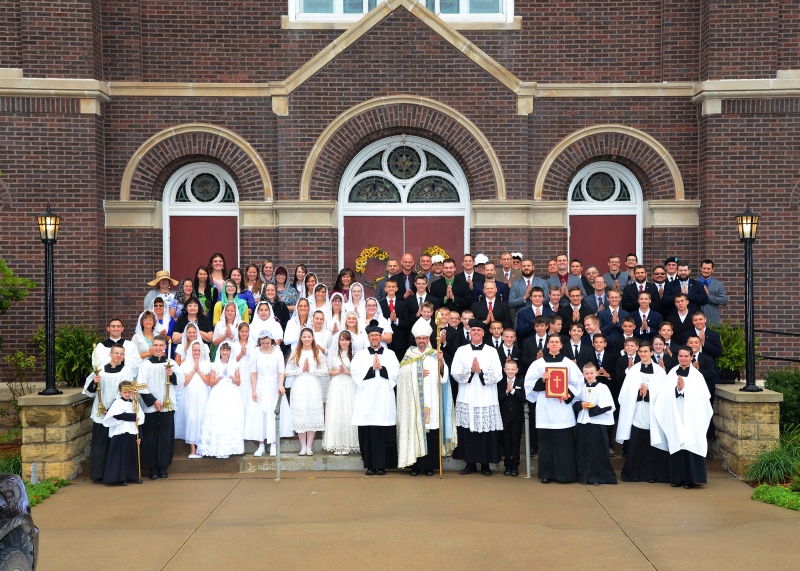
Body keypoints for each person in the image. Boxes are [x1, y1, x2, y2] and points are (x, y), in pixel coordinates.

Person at [396, 318, 455, 475]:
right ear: (415, 339)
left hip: (432, 401)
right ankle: (415, 466)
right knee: (416, 430)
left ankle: (429, 466)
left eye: (424, 338)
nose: (421, 341)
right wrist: (416, 373)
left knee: (431, 432)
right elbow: (401, 376)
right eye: (419, 338)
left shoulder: (435, 354)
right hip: (415, 404)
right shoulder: (409, 354)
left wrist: (442, 362)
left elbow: (444, 379)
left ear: (429, 339)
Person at [653, 346, 714, 489]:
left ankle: (690, 479)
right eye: (680, 356)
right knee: (676, 443)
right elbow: (664, 394)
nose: (683, 359)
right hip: (675, 414)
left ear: (692, 357)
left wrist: (684, 389)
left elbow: (703, 397)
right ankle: (677, 477)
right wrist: (676, 390)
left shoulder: (696, 376)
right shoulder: (672, 373)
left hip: (692, 417)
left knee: (689, 444)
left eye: (686, 356)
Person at [524, 335, 582, 483]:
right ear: (547, 345)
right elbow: (528, 384)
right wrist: (541, 381)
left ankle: (565, 475)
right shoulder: (538, 364)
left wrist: (568, 394)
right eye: (552, 342)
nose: (554, 344)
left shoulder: (569, 364)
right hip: (545, 408)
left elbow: (578, 384)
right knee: (546, 444)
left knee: (564, 444)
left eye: (557, 342)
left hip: (563, 409)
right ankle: (546, 474)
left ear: (561, 345)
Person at [451, 319, 503, 476]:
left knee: (485, 432)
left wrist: (480, 372)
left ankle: (485, 464)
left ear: (483, 333)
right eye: (473, 330)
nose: (476, 333)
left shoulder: (491, 351)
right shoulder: (461, 350)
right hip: (467, 395)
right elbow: (454, 371)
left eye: (479, 330)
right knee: (468, 431)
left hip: (486, 396)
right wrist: (470, 371)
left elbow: (498, 373)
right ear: (470, 332)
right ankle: (470, 463)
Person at [616, 341, 671, 483]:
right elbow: (624, 394)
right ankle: (633, 474)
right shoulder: (633, 371)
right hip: (636, 413)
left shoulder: (659, 372)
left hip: (652, 413)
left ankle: (652, 474)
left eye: (646, 351)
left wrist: (648, 394)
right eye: (640, 351)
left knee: (652, 445)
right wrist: (637, 393)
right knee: (635, 443)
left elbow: (663, 394)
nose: (643, 354)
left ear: (652, 352)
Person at [351, 320, 401, 475]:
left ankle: (382, 465)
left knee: (382, 431)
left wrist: (382, 368)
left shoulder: (391, 354)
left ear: (381, 337)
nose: (374, 338)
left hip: (384, 397)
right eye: (372, 335)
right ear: (368, 337)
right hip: (366, 397)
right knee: (368, 431)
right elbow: (355, 372)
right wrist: (372, 369)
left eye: (377, 335)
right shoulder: (360, 355)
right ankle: (370, 465)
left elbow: (396, 373)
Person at [83, 343, 137, 482]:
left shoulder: (126, 371)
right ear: (110, 354)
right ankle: (99, 474)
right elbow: (89, 391)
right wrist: (95, 383)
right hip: (101, 411)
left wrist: (112, 410)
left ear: (124, 356)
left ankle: (115, 475)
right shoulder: (99, 371)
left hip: (117, 410)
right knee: (100, 442)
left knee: (116, 443)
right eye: (116, 353)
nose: (119, 356)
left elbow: (127, 392)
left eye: (121, 354)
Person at [138, 335, 183, 479]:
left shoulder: (171, 364)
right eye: (155, 345)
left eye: (160, 345)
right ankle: (152, 468)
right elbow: (141, 385)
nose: (158, 348)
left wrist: (172, 375)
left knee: (164, 437)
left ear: (165, 347)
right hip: (152, 406)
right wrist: (153, 401)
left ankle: (163, 467)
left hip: (167, 405)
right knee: (151, 437)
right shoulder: (145, 365)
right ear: (152, 347)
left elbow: (180, 382)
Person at [244, 330, 292, 457]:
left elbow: (281, 370)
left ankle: (273, 444)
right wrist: (254, 390)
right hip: (260, 385)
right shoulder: (256, 352)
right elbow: (253, 372)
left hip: (274, 386)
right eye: (263, 343)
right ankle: (261, 445)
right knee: (260, 415)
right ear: (259, 342)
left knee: (273, 413)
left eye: (267, 343)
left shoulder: (277, 352)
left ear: (271, 341)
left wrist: (281, 384)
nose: (265, 345)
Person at [197, 342, 245, 458]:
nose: (225, 352)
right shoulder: (214, 365)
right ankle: (217, 448)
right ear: (220, 352)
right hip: (218, 392)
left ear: (230, 352)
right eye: (223, 350)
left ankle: (228, 447)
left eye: (227, 350)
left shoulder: (235, 365)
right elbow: (211, 383)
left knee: (229, 418)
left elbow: (239, 382)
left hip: (231, 392)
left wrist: (232, 377)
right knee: (218, 417)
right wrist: (220, 376)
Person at [573, 362, 617, 485]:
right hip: (583, 422)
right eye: (587, 373)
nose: (589, 375)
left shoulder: (603, 387)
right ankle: (584, 476)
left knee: (598, 450)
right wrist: (581, 405)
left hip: (597, 422)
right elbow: (575, 402)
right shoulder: (581, 387)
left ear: (596, 373)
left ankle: (599, 477)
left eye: (592, 373)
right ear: (583, 374)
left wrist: (592, 408)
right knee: (583, 449)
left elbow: (608, 405)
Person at [285, 328, 328, 456]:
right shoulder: (295, 352)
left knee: (311, 413)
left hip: (313, 385)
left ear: (312, 337)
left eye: (309, 336)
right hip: (299, 385)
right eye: (304, 337)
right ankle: (302, 446)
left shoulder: (317, 352)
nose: (307, 339)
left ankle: (309, 446)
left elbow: (326, 371)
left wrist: (312, 370)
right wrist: (301, 371)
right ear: (301, 338)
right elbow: (286, 372)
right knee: (301, 414)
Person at [323, 331, 360, 455]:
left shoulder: (354, 356)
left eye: (346, 340)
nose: (344, 342)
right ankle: (337, 444)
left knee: (348, 412)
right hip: (336, 385)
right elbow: (329, 371)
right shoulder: (334, 355)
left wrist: (346, 372)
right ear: (338, 341)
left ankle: (348, 444)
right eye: (342, 340)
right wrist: (338, 372)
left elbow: (357, 373)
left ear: (350, 341)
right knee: (337, 413)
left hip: (349, 385)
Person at [101, 381, 145, 485]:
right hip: (120, 433)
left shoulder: (135, 403)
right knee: (120, 456)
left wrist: (140, 436)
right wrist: (132, 417)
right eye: (125, 392)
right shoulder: (117, 403)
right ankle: (120, 478)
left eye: (129, 392)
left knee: (131, 455)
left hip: (132, 433)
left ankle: (133, 476)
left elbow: (140, 420)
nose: (127, 394)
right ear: (120, 392)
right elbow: (117, 415)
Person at [176, 340, 211, 459]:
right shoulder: (185, 364)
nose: (197, 352)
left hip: (203, 394)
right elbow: (184, 383)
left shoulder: (207, 363)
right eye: (194, 350)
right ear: (191, 351)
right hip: (190, 394)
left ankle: (201, 447)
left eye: (199, 350)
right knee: (192, 419)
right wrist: (193, 370)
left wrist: (199, 369)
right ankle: (192, 449)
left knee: (202, 419)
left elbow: (208, 381)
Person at [497, 359, 525, 476]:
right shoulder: (500, 383)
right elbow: (497, 399)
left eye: (512, 369)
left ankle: (515, 465)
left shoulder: (520, 382)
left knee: (515, 442)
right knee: (506, 442)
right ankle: (507, 465)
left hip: (517, 418)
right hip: (504, 417)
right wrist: (506, 392)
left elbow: (524, 398)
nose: (510, 371)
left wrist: (513, 391)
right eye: (508, 369)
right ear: (504, 370)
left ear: (517, 370)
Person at [379, 280, 410, 361]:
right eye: (389, 287)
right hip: (385, 341)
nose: (391, 289)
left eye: (393, 287)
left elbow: (407, 323)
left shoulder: (403, 304)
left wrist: (396, 320)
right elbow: (378, 322)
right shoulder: (380, 304)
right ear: (385, 289)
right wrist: (389, 321)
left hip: (399, 342)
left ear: (396, 288)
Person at [698, 259, 727, 326]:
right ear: (700, 268)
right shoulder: (693, 282)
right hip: (696, 320)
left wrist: (708, 296)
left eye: (708, 269)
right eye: (704, 268)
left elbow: (724, 300)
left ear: (712, 269)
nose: (706, 271)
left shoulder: (719, 284)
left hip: (713, 320)